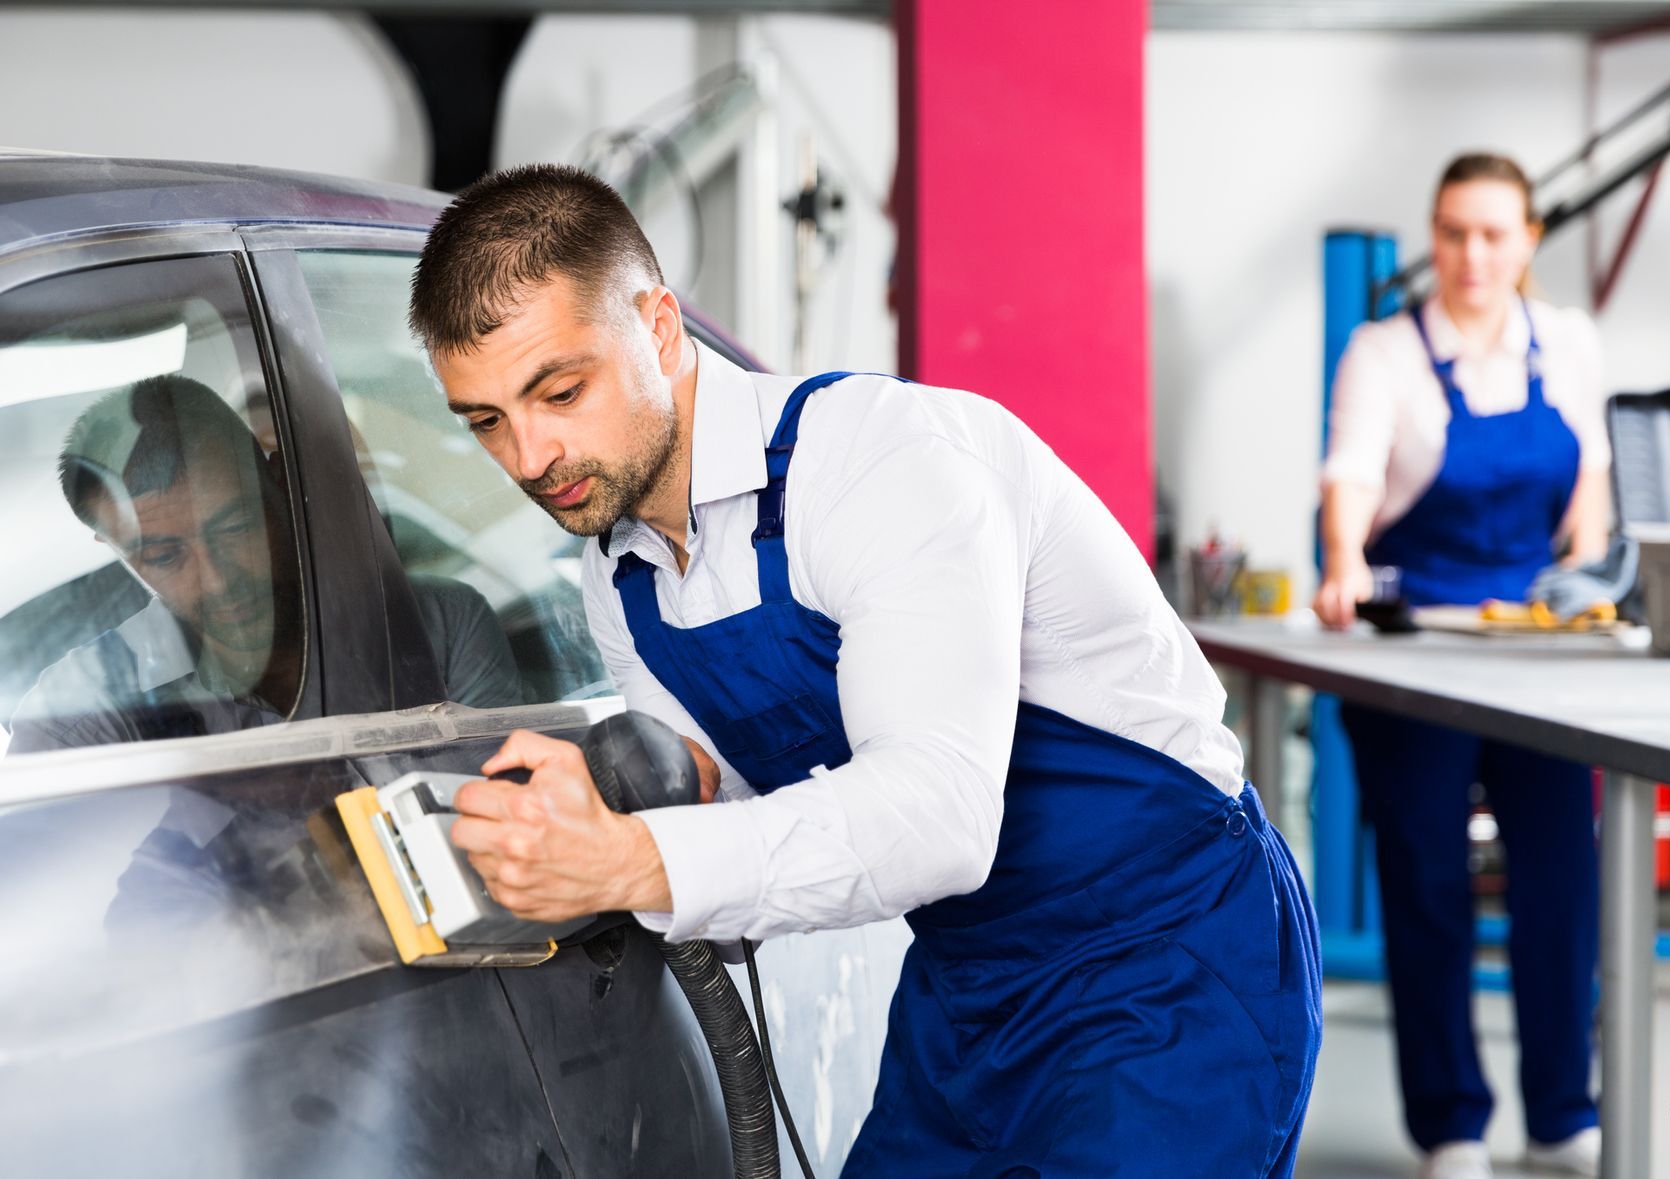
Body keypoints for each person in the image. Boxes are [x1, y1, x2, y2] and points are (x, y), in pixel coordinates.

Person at [417, 164, 1322, 1177]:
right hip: (971, 981)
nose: (531, 456)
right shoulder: (621, 579)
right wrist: (600, 813)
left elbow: (938, 817)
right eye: (487, 421)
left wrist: (631, 859)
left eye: (560, 390)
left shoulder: (882, 466)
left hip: (1167, 957)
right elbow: (731, 809)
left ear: (660, 328)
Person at [1312, 153, 1610, 1179]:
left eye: (1493, 234)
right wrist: (1345, 562)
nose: (1472, 255)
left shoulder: (1567, 344)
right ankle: (1453, 1127)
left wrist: (1594, 577)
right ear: (1433, 239)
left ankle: (1565, 1111)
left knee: (1563, 880)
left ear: (1528, 241)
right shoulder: (1383, 351)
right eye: (1453, 233)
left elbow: (1593, 488)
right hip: (1422, 654)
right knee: (1429, 882)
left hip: (1537, 648)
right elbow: (1350, 473)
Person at [9, 375, 520, 755]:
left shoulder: (440, 626)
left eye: (235, 529)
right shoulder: (80, 714)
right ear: (116, 551)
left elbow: (512, 833)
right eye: (165, 557)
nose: (218, 580)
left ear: (279, 484)